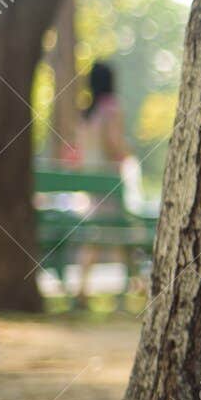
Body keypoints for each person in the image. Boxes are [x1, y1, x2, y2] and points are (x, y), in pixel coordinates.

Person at [74, 60, 132, 310]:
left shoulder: (87, 113)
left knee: (97, 233)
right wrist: (129, 155)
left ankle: (82, 289)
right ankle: (126, 290)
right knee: (119, 231)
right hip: (109, 179)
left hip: (91, 179)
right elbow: (113, 143)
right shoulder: (111, 108)